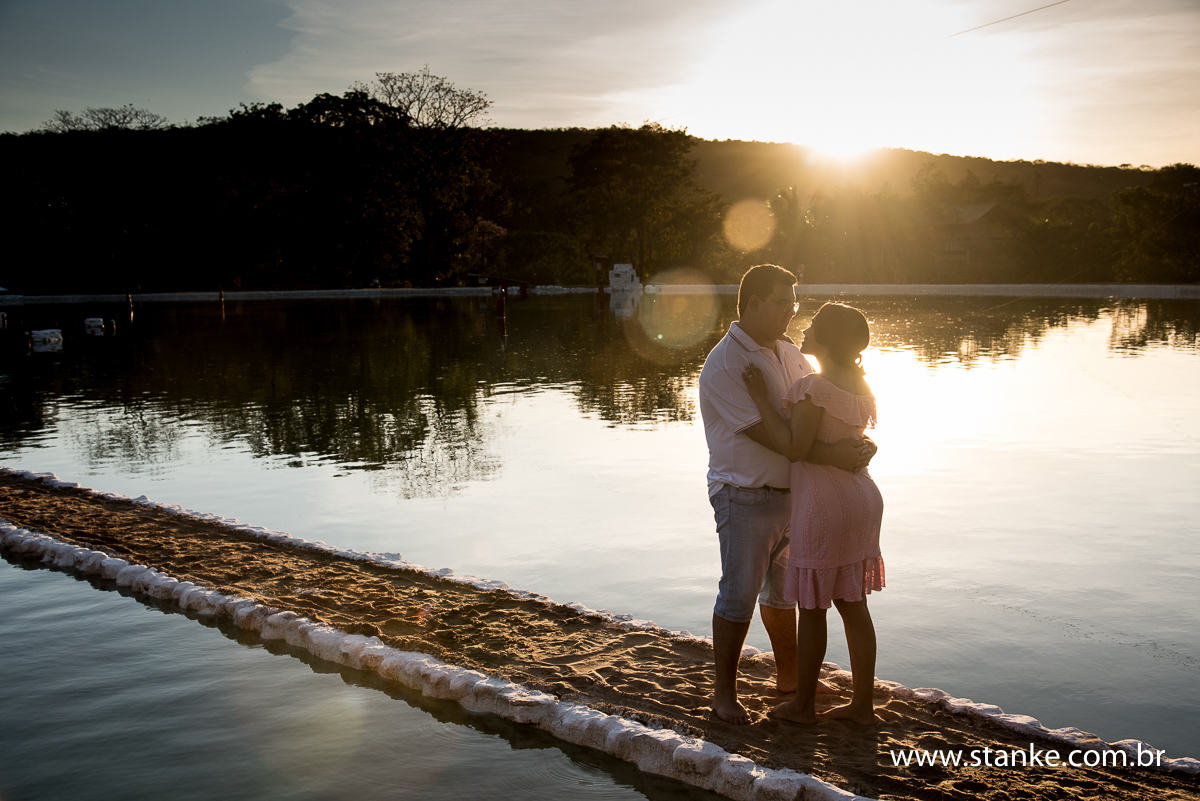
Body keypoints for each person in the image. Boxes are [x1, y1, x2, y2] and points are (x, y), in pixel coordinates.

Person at [698, 266, 876, 725]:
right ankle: (724, 696)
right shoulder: (725, 365)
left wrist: (858, 443)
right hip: (746, 495)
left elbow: (827, 411)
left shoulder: (792, 354)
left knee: (784, 597)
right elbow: (781, 442)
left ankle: (792, 680)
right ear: (753, 302)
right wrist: (840, 456)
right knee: (737, 595)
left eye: (794, 305)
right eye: (782, 303)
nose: (791, 313)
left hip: (801, 498)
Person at [742, 302, 884, 726]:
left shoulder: (811, 387)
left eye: (813, 326)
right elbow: (856, 441)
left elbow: (794, 448)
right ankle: (862, 707)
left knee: (814, 607)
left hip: (824, 503)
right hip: (862, 499)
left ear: (828, 338)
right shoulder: (861, 383)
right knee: (853, 604)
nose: (804, 330)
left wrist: (761, 400)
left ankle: (803, 706)